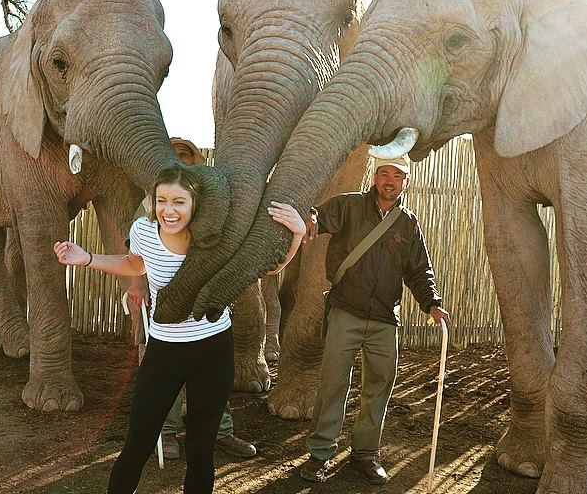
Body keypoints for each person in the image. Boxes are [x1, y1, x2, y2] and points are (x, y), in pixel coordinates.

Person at [55, 164, 306, 493]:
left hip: (213, 350)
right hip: (164, 351)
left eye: (178, 202)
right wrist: (86, 257)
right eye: (161, 201)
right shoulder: (144, 231)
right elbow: (135, 264)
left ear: (195, 204)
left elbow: (269, 269)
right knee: (138, 443)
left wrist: (298, 234)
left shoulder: (218, 238)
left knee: (201, 451)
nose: (168, 210)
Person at [298, 155, 451, 486]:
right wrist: (309, 217)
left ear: (405, 183)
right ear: (375, 176)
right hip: (345, 312)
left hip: (385, 318)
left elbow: (419, 270)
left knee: (379, 386)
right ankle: (320, 453)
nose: (390, 180)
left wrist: (433, 304)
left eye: (397, 176)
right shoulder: (350, 207)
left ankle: (365, 454)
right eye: (384, 174)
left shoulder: (407, 224)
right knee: (333, 383)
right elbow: (318, 218)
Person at [155, 138, 256, 460]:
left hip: (207, 307)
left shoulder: (214, 202)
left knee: (213, 377)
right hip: (167, 311)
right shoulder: (156, 206)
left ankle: (220, 432)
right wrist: (136, 285)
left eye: (187, 156)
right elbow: (136, 252)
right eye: (175, 158)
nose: (181, 163)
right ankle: (167, 434)